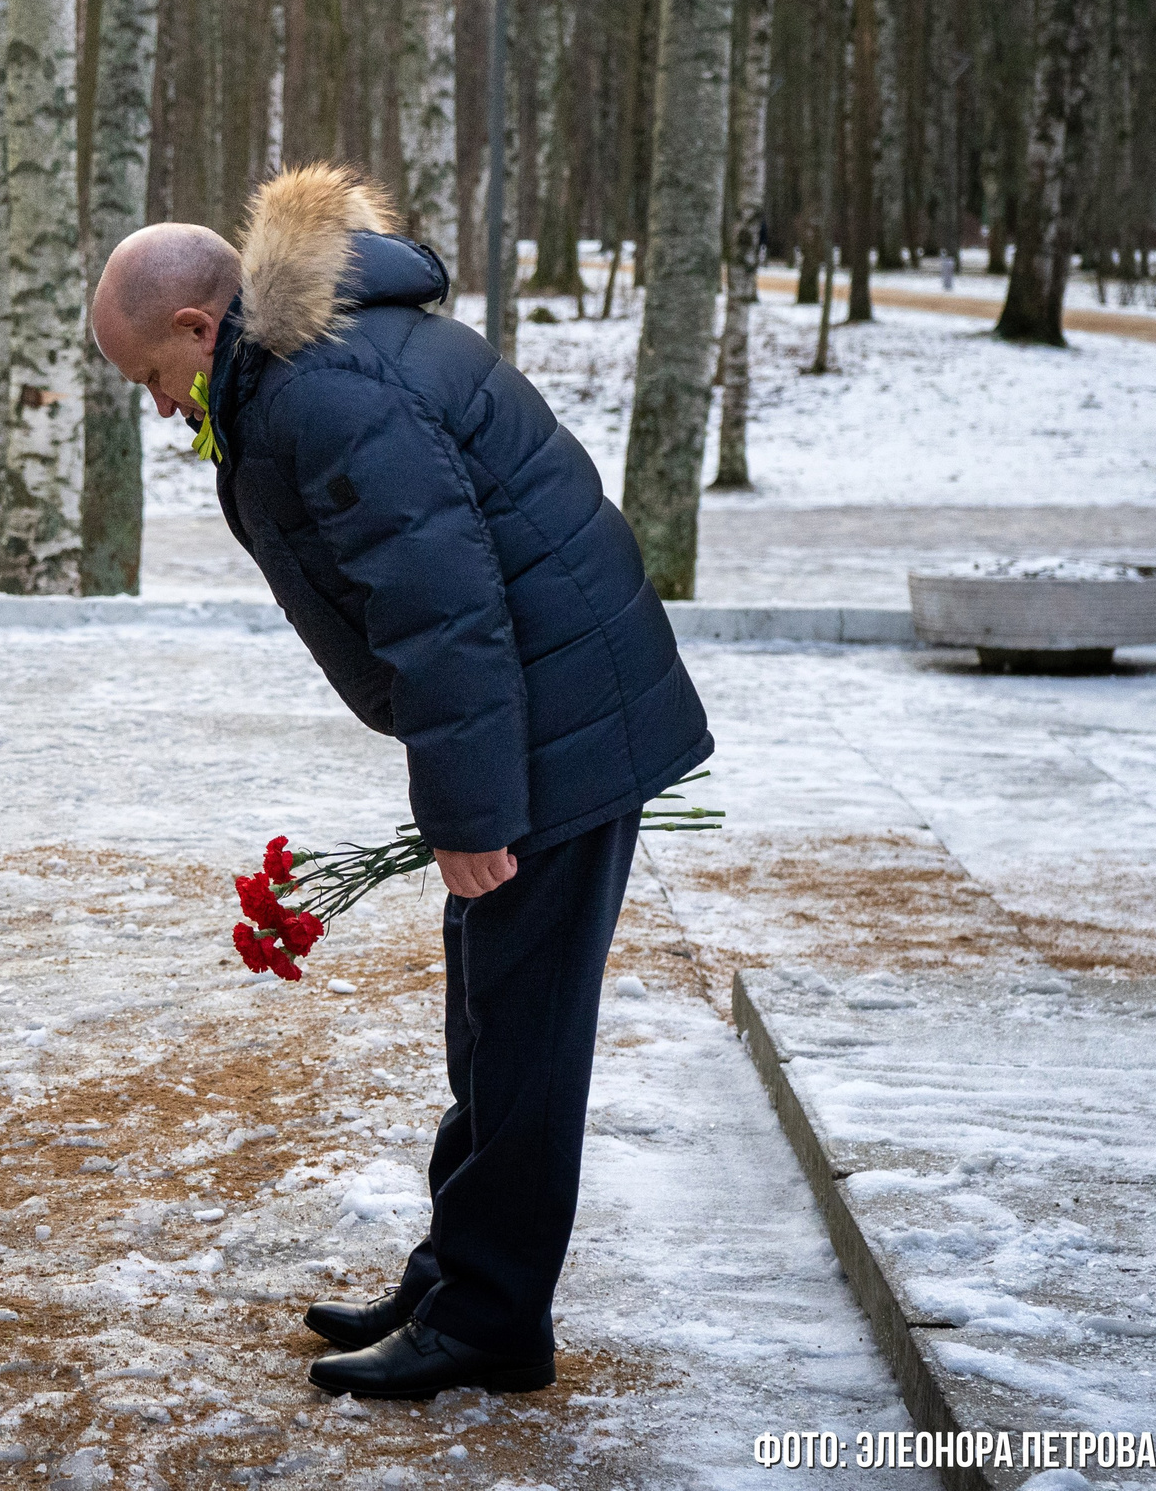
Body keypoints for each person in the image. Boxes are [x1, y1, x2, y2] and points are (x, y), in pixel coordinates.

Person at [90, 164, 712, 1402]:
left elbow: (446, 611)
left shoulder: (324, 386)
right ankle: (455, 1272)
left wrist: (474, 812)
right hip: (549, 705)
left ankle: (489, 1322)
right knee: (489, 1015)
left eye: (154, 381)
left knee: (524, 1035)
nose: (163, 411)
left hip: (557, 723)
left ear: (198, 330)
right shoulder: (317, 361)